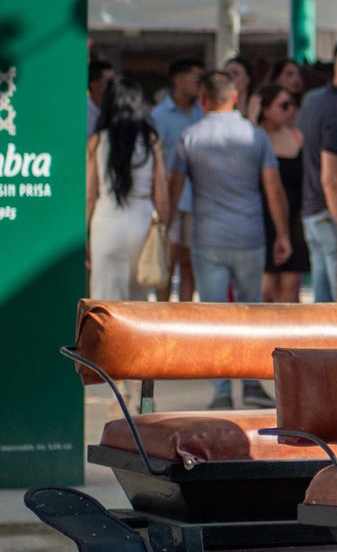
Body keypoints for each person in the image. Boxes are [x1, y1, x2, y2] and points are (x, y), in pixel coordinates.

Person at [169, 72, 291, 409]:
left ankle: (222, 391)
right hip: (250, 236)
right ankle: (251, 383)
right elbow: (273, 187)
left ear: (203, 100)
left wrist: (166, 228)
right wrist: (282, 233)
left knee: (214, 316)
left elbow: (174, 186)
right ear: (235, 97)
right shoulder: (255, 135)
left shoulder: (190, 136)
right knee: (250, 312)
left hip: (208, 237)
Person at [87, 75, 171, 300]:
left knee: (104, 298)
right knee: (139, 299)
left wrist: (85, 235)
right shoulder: (151, 141)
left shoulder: (97, 141)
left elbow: (90, 196)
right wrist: (163, 228)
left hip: (106, 221)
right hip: (142, 222)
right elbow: (161, 195)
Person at [150, 58, 206, 301]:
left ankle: (184, 313)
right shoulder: (158, 116)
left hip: (198, 199)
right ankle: (162, 314)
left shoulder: (203, 113)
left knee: (189, 263)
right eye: (195, 78)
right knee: (166, 261)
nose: (199, 84)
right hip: (169, 199)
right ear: (178, 79)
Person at [298, 40, 337, 302]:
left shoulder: (313, 100)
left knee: (323, 305)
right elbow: (330, 176)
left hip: (312, 210)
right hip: (328, 211)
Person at [254, 83, 311, 303]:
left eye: (293, 105)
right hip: (262, 219)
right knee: (264, 290)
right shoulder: (255, 139)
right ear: (266, 109)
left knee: (290, 290)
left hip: (294, 218)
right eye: (284, 105)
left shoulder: (297, 137)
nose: (291, 110)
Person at [88, 60, 114, 137]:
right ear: (95, 85)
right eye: (110, 83)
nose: (115, 86)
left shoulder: (114, 110)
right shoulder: (80, 114)